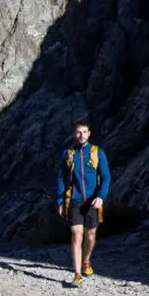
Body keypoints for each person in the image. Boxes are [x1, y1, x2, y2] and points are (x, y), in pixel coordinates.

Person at [55, 119, 110, 286]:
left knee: (91, 235)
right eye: (78, 132)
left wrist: (101, 196)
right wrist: (60, 200)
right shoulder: (68, 154)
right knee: (76, 235)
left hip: (93, 201)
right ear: (74, 134)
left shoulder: (97, 152)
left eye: (84, 132)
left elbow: (106, 176)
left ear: (89, 134)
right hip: (75, 200)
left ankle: (86, 261)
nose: (81, 135)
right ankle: (77, 274)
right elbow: (61, 178)